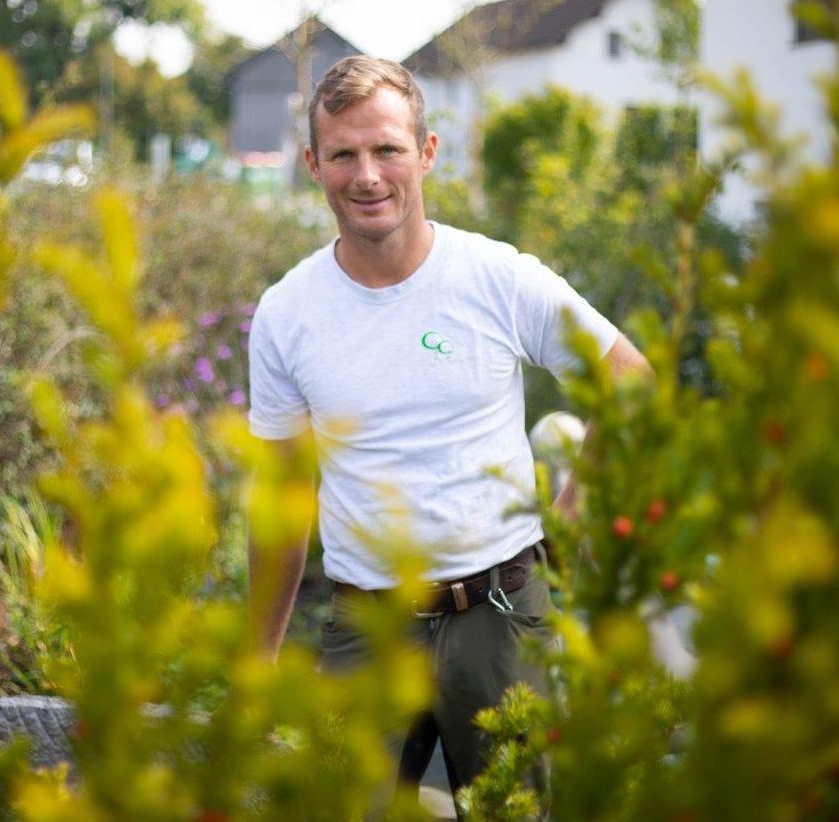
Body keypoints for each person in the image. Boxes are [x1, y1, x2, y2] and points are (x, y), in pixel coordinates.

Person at [246, 56, 652, 805]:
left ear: (426, 152)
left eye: (387, 149)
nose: (367, 175)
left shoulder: (496, 278)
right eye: (344, 154)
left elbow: (630, 379)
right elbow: (281, 500)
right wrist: (256, 660)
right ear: (313, 164)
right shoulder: (287, 313)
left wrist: (571, 513)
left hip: (499, 615)